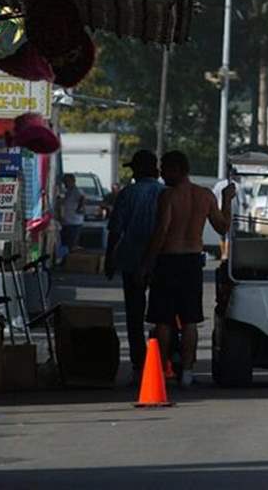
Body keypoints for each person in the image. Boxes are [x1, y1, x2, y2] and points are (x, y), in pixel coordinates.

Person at [140, 151, 236, 387]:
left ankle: (162, 369)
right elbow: (223, 227)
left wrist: (148, 262)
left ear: (177, 169)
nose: (161, 173)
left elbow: (162, 231)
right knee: (190, 319)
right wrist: (226, 200)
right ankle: (188, 372)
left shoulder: (168, 196)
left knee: (163, 319)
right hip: (193, 261)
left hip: (169, 261)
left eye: (165, 169)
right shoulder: (204, 196)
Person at [104, 150, 164, 384]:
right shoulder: (165, 194)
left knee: (134, 314)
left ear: (139, 170)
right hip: (161, 260)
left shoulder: (128, 194)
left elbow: (116, 229)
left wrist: (110, 258)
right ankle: (162, 357)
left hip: (132, 259)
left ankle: (140, 361)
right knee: (162, 313)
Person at [57, 173, 85, 264]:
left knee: (72, 243)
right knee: (65, 242)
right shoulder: (68, 191)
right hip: (67, 221)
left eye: (66, 181)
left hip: (74, 222)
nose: (64, 183)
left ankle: (72, 261)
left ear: (72, 181)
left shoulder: (76, 191)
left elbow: (82, 198)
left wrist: (80, 208)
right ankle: (64, 260)